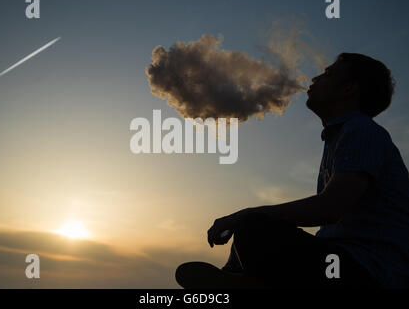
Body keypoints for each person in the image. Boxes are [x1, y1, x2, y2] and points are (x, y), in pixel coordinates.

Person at [175, 53, 409, 288]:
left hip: (369, 272)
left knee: (254, 227)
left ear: (349, 89)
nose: (316, 78)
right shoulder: (342, 136)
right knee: (254, 228)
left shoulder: (361, 131)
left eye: (328, 74)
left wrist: (243, 215)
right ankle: (238, 278)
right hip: (343, 262)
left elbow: (329, 208)